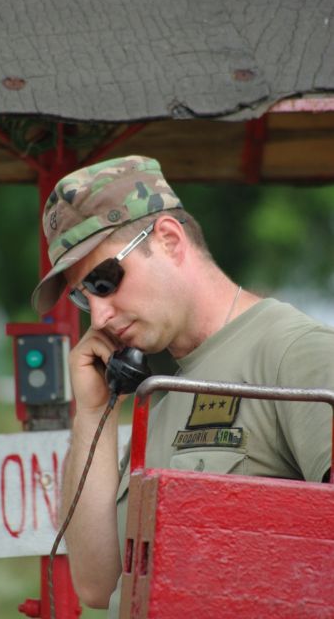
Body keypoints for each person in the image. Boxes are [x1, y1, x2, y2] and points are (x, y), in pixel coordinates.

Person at [31, 155, 334, 616]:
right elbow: (97, 584)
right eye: (82, 297)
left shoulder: (295, 352)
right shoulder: (160, 391)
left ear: (169, 240)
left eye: (104, 281)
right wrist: (93, 414)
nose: (101, 316)